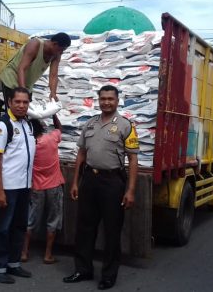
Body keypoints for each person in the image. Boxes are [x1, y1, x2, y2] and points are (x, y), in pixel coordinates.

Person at [63, 85, 140, 290]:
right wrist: (75, 182)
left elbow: (133, 159)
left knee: (112, 230)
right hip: (89, 180)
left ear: (117, 101)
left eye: (110, 99)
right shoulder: (90, 124)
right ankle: (83, 270)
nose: (106, 102)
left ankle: (108, 275)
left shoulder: (126, 126)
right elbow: (81, 153)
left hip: (112, 182)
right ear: (98, 100)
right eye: (103, 98)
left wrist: (130, 190)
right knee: (84, 228)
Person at [0, 87, 36, 284]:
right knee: (1, 228)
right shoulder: (3, 125)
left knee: (19, 226)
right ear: (9, 102)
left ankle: (13, 264)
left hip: (23, 186)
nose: (22, 105)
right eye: (18, 102)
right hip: (6, 187)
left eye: (25, 102)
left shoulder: (27, 125)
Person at [0, 33, 71, 124]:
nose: (62, 52)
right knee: (14, 114)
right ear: (55, 44)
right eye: (62, 49)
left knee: (25, 115)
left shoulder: (56, 55)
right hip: (11, 80)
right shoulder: (35, 44)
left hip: (27, 85)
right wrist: (23, 92)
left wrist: (53, 93)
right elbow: (21, 68)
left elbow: (53, 75)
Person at [20, 114, 64, 265]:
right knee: (53, 219)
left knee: (30, 220)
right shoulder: (52, 139)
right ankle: (48, 254)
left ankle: (24, 252)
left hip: (37, 188)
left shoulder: (30, 145)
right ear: (42, 128)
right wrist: (53, 114)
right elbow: (59, 128)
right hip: (54, 186)